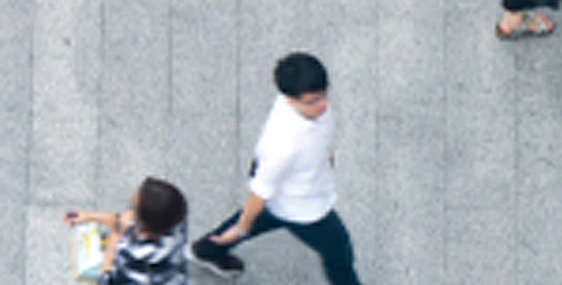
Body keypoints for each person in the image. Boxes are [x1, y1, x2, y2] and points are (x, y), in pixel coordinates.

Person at [188, 53, 362, 283]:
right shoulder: (283, 145)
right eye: (314, 101)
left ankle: (208, 250)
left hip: (288, 193)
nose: (323, 105)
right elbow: (260, 192)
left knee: (258, 217)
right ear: (291, 100)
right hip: (306, 209)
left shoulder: (299, 103)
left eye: (324, 95)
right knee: (340, 255)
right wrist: (241, 229)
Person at [63, 177, 189, 285]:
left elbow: (106, 279)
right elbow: (127, 220)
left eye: (133, 207)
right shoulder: (174, 218)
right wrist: (89, 217)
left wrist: (112, 243)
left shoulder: (135, 259)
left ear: (143, 228)